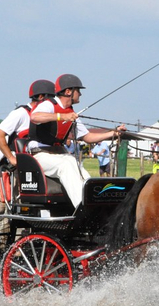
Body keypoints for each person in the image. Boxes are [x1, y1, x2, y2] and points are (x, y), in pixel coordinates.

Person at [28, 74, 125, 209]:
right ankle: (83, 208)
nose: (80, 94)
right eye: (78, 91)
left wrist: (113, 133)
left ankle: (97, 205)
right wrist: (61, 116)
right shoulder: (49, 104)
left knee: (81, 171)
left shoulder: (71, 113)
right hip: (39, 155)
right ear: (68, 91)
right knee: (66, 165)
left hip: (58, 154)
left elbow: (88, 137)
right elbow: (35, 117)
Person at [0, 79, 55, 213]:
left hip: (26, 183)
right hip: (4, 183)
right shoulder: (17, 122)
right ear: (41, 97)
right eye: (51, 98)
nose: (53, 103)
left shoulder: (45, 123)